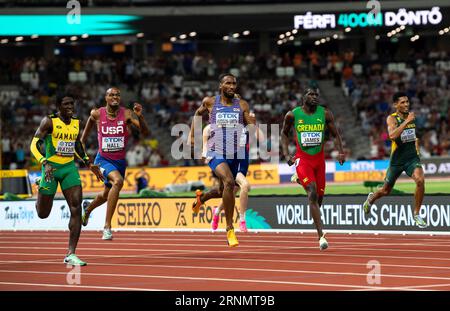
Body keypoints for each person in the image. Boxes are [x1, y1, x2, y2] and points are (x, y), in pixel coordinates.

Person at [29, 95, 104, 266]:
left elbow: (77, 144)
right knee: (42, 214)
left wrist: (88, 162)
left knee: (76, 207)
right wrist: (44, 162)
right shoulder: (49, 121)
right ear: (58, 106)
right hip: (50, 168)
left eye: (72, 103)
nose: (70, 106)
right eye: (66, 104)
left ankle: (71, 253)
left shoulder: (76, 122)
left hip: (69, 168)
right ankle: (41, 185)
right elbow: (34, 145)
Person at [189, 73, 256, 247]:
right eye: (228, 83)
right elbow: (197, 113)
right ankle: (229, 229)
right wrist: (192, 134)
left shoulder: (242, 104)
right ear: (221, 85)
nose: (232, 86)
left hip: (234, 153)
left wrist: (251, 122)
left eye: (234, 83)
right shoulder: (211, 102)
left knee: (221, 190)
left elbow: (250, 125)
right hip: (215, 151)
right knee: (229, 182)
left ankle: (201, 199)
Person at [80, 87, 149, 240]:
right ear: (106, 98)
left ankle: (88, 208)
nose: (115, 97)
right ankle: (107, 227)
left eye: (117, 95)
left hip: (120, 162)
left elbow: (145, 133)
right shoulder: (96, 114)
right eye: (111, 95)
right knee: (118, 182)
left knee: (106, 195)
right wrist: (87, 161)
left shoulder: (127, 114)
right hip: (103, 160)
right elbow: (82, 141)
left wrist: (140, 116)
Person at [281, 88, 345, 250]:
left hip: (319, 160)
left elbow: (335, 134)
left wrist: (341, 152)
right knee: (312, 191)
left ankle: (299, 179)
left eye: (317, 94)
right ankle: (320, 236)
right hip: (303, 159)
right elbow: (284, 134)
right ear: (303, 97)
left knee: (319, 197)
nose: (315, 97)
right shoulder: (293, 115)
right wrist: (286, 154)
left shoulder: (325, 114)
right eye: (311, 94)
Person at [363, 92, 427, 228]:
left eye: (407, 101)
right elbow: (392, 135)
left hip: (411, 158)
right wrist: (407, 121)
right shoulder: (391, 119)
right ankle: (371, 198)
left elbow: (415, 136)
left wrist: (417, 149)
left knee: (420, 180)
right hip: (397, 161)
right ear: (395, 105)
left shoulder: (412, 117)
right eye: (402, 102)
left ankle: (416, 214)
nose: (406, 104)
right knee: (385, 191)